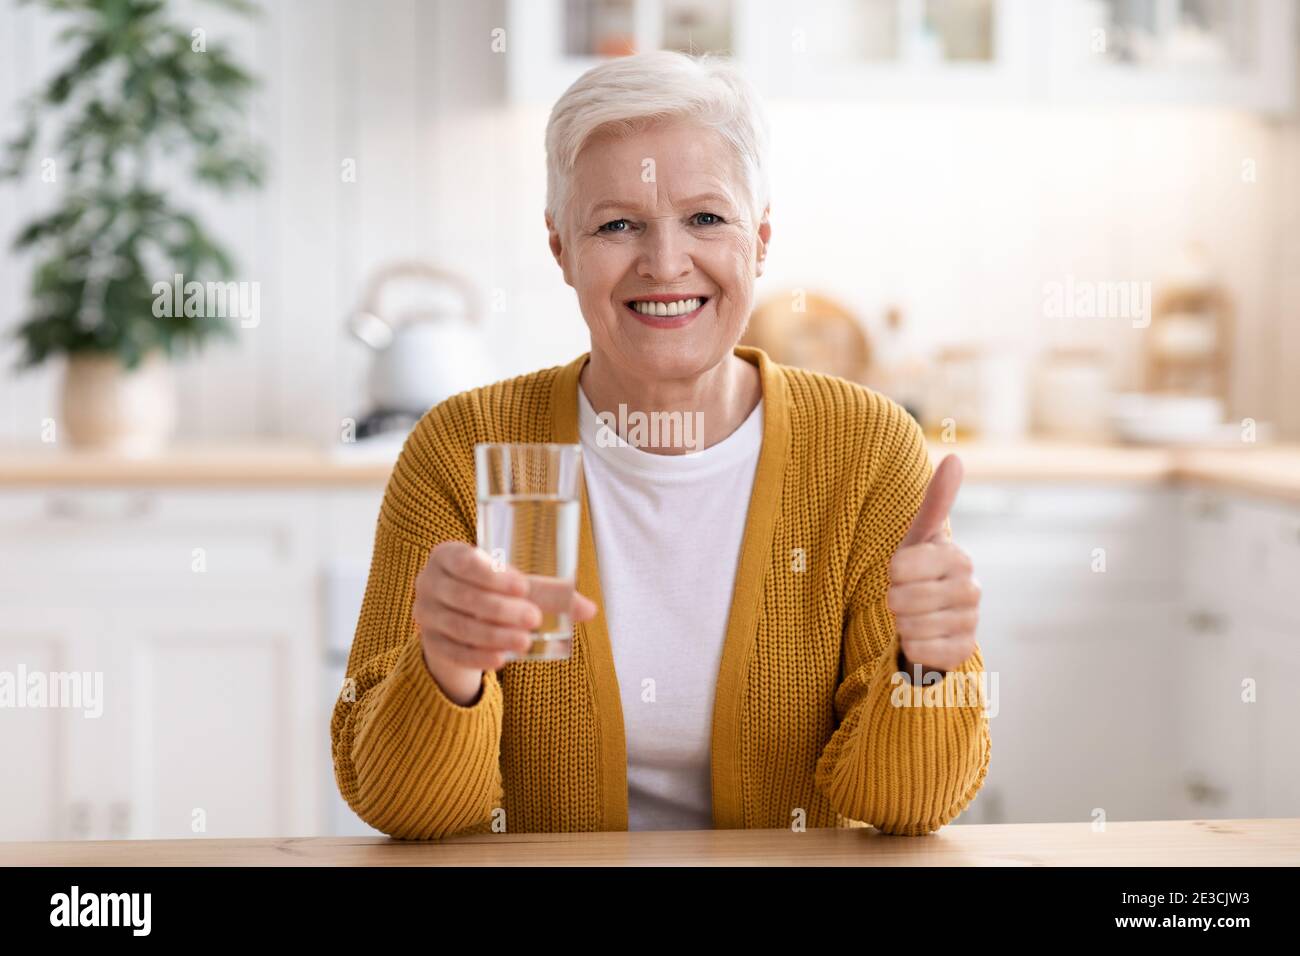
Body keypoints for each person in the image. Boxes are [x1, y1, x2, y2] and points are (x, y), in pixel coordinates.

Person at [331, 50, 989, 838]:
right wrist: (446, 671)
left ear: (762, 239)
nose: (666, 263)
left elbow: (904, 809)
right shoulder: (461, 450)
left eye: (707, 218)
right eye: (617, 225)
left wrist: (928, 668)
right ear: (561, 250)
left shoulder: (867, 450)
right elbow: (402, 809)